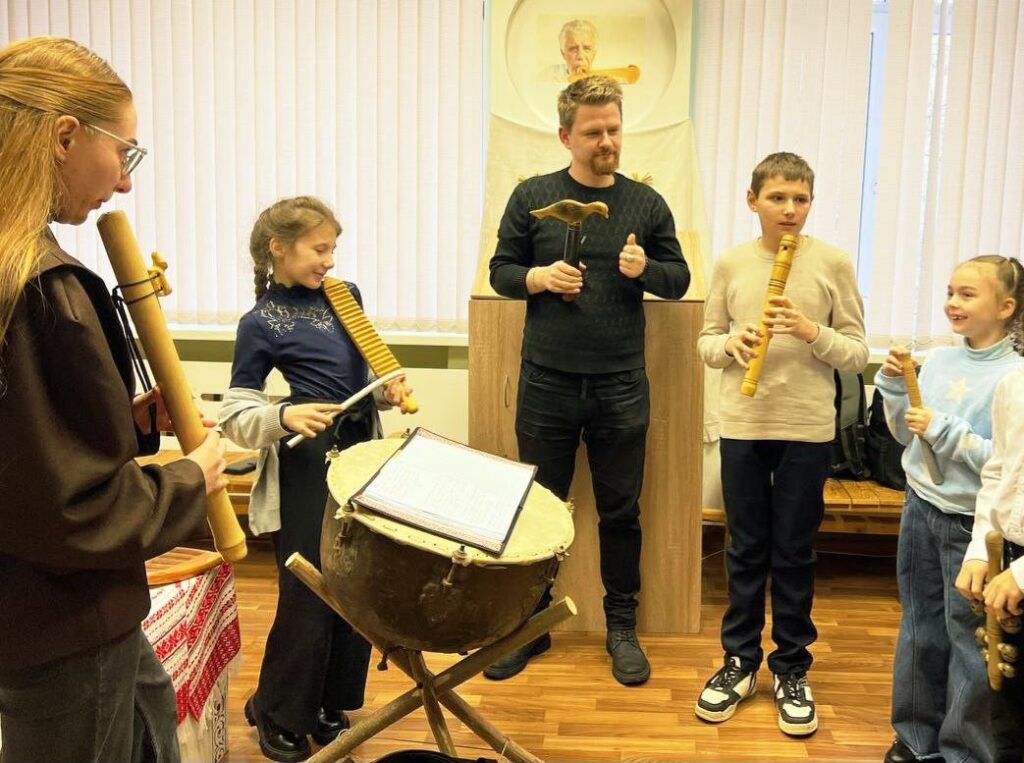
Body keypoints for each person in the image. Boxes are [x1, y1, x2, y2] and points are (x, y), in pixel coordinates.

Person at [0, 36, 226, 763]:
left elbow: (24, 448)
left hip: (46, 604)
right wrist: (191, 479)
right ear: (66, 135)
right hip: (60, 616)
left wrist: (121, 422)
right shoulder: (38, 286)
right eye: (124, 152)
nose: (125, 183)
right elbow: (69, 513)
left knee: (149, 718)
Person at [487, 75, 690, 686]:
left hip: (620, 385)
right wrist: (539, 278)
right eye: (594, 132)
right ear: (566, 136)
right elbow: (501, 271)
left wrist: (645, 267)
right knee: (538, 510)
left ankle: (621, 628)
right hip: (546, 383)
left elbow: (678, 279)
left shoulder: (646, 204)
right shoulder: (532, 196)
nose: (607, 141)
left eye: (614, 129)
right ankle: (531, 626)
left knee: (620, 511)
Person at [219, 196, 410, 762]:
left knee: (356, 581)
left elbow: (361, 375)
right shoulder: (259, 323)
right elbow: (236, 414)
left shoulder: (345, 296)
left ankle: (328, 700)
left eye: (333, 249)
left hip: (361, 452)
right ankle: (277, 711)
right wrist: (284, 415)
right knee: (310, 588)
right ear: (279, 248)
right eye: (319, 249)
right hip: (309, 465)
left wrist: (387, 388)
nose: (329, 260)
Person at [695, 152, 868, 736]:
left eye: (800, 199)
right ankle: (739, 662)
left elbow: (856, 352)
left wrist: (812, 332)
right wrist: (732, 344)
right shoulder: (731, 263)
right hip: (744, 424)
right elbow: (706, 342)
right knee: (744, 549)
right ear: (753, 201)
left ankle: (792, 666)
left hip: (806, 429)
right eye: (777, 198)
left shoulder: (832, 262)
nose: (790, 209)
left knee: (794, 553)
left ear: (810, 203)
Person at [875, 255, 1024, 763]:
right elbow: (906, 437)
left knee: (967, 641)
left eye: (967, 294)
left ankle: (962, 751)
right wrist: (894, 388)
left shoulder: (1013, 376)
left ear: (1006, 307)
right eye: (949, 292)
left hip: (972, 526)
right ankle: (915, 740)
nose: (952, 303)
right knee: (919, 627)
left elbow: (1004, 465)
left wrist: (947, 432)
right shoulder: (938, 361)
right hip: (920, 506)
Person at [958, 357, 1024, 763]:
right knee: (1008, 715)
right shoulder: (1014, 382)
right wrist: (981, 552)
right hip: (1010, 560)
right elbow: (999, 473)